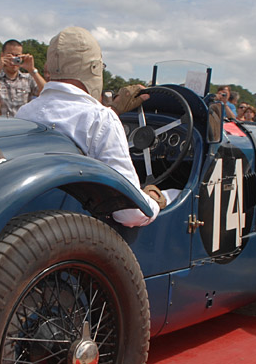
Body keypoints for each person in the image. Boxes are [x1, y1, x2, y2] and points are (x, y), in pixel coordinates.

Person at [16, 27, 164, 227]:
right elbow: (129, 213)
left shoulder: (24, 113)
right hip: (79, 235)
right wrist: (153, 200)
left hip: (30, 226)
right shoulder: (101, 119)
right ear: (94, 68)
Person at [0, 39, 44, 117]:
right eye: (10, 55)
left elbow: (46, 91)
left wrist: (32, 70)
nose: (14, 59)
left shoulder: (28, 78)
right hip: (0, 125)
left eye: (17, 56)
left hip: (22, 125)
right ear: (2, 55)